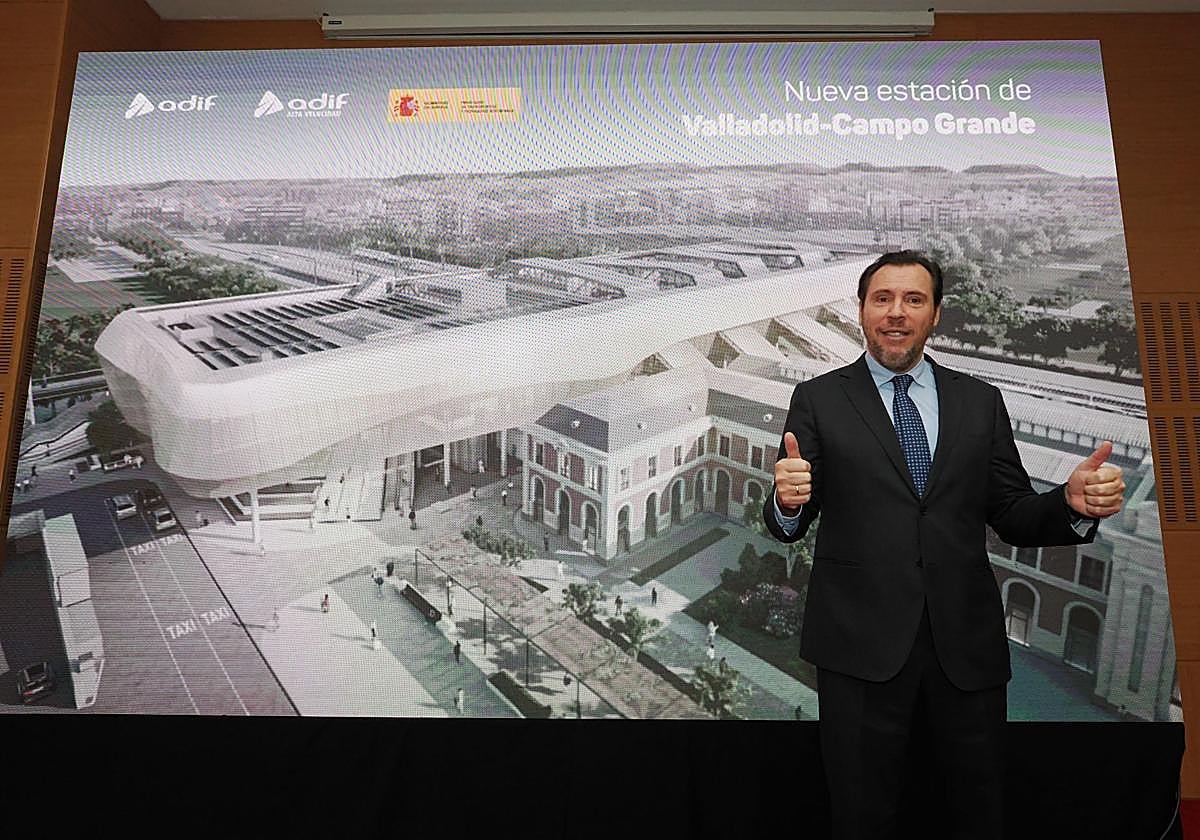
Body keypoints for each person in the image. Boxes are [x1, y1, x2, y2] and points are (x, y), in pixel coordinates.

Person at [763, 250, 1125, 840]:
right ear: (860, 311)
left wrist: (1069, 505)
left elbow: (1010, 513)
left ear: (936, 315)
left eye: (914, 300)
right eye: (882, 299)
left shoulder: (978, 402)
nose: (896, 313)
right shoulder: (818, 399)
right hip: (859, 649)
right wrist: (787, 501)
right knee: (860, 814)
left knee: (975, 813)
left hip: (966, 649)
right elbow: (788, 523)